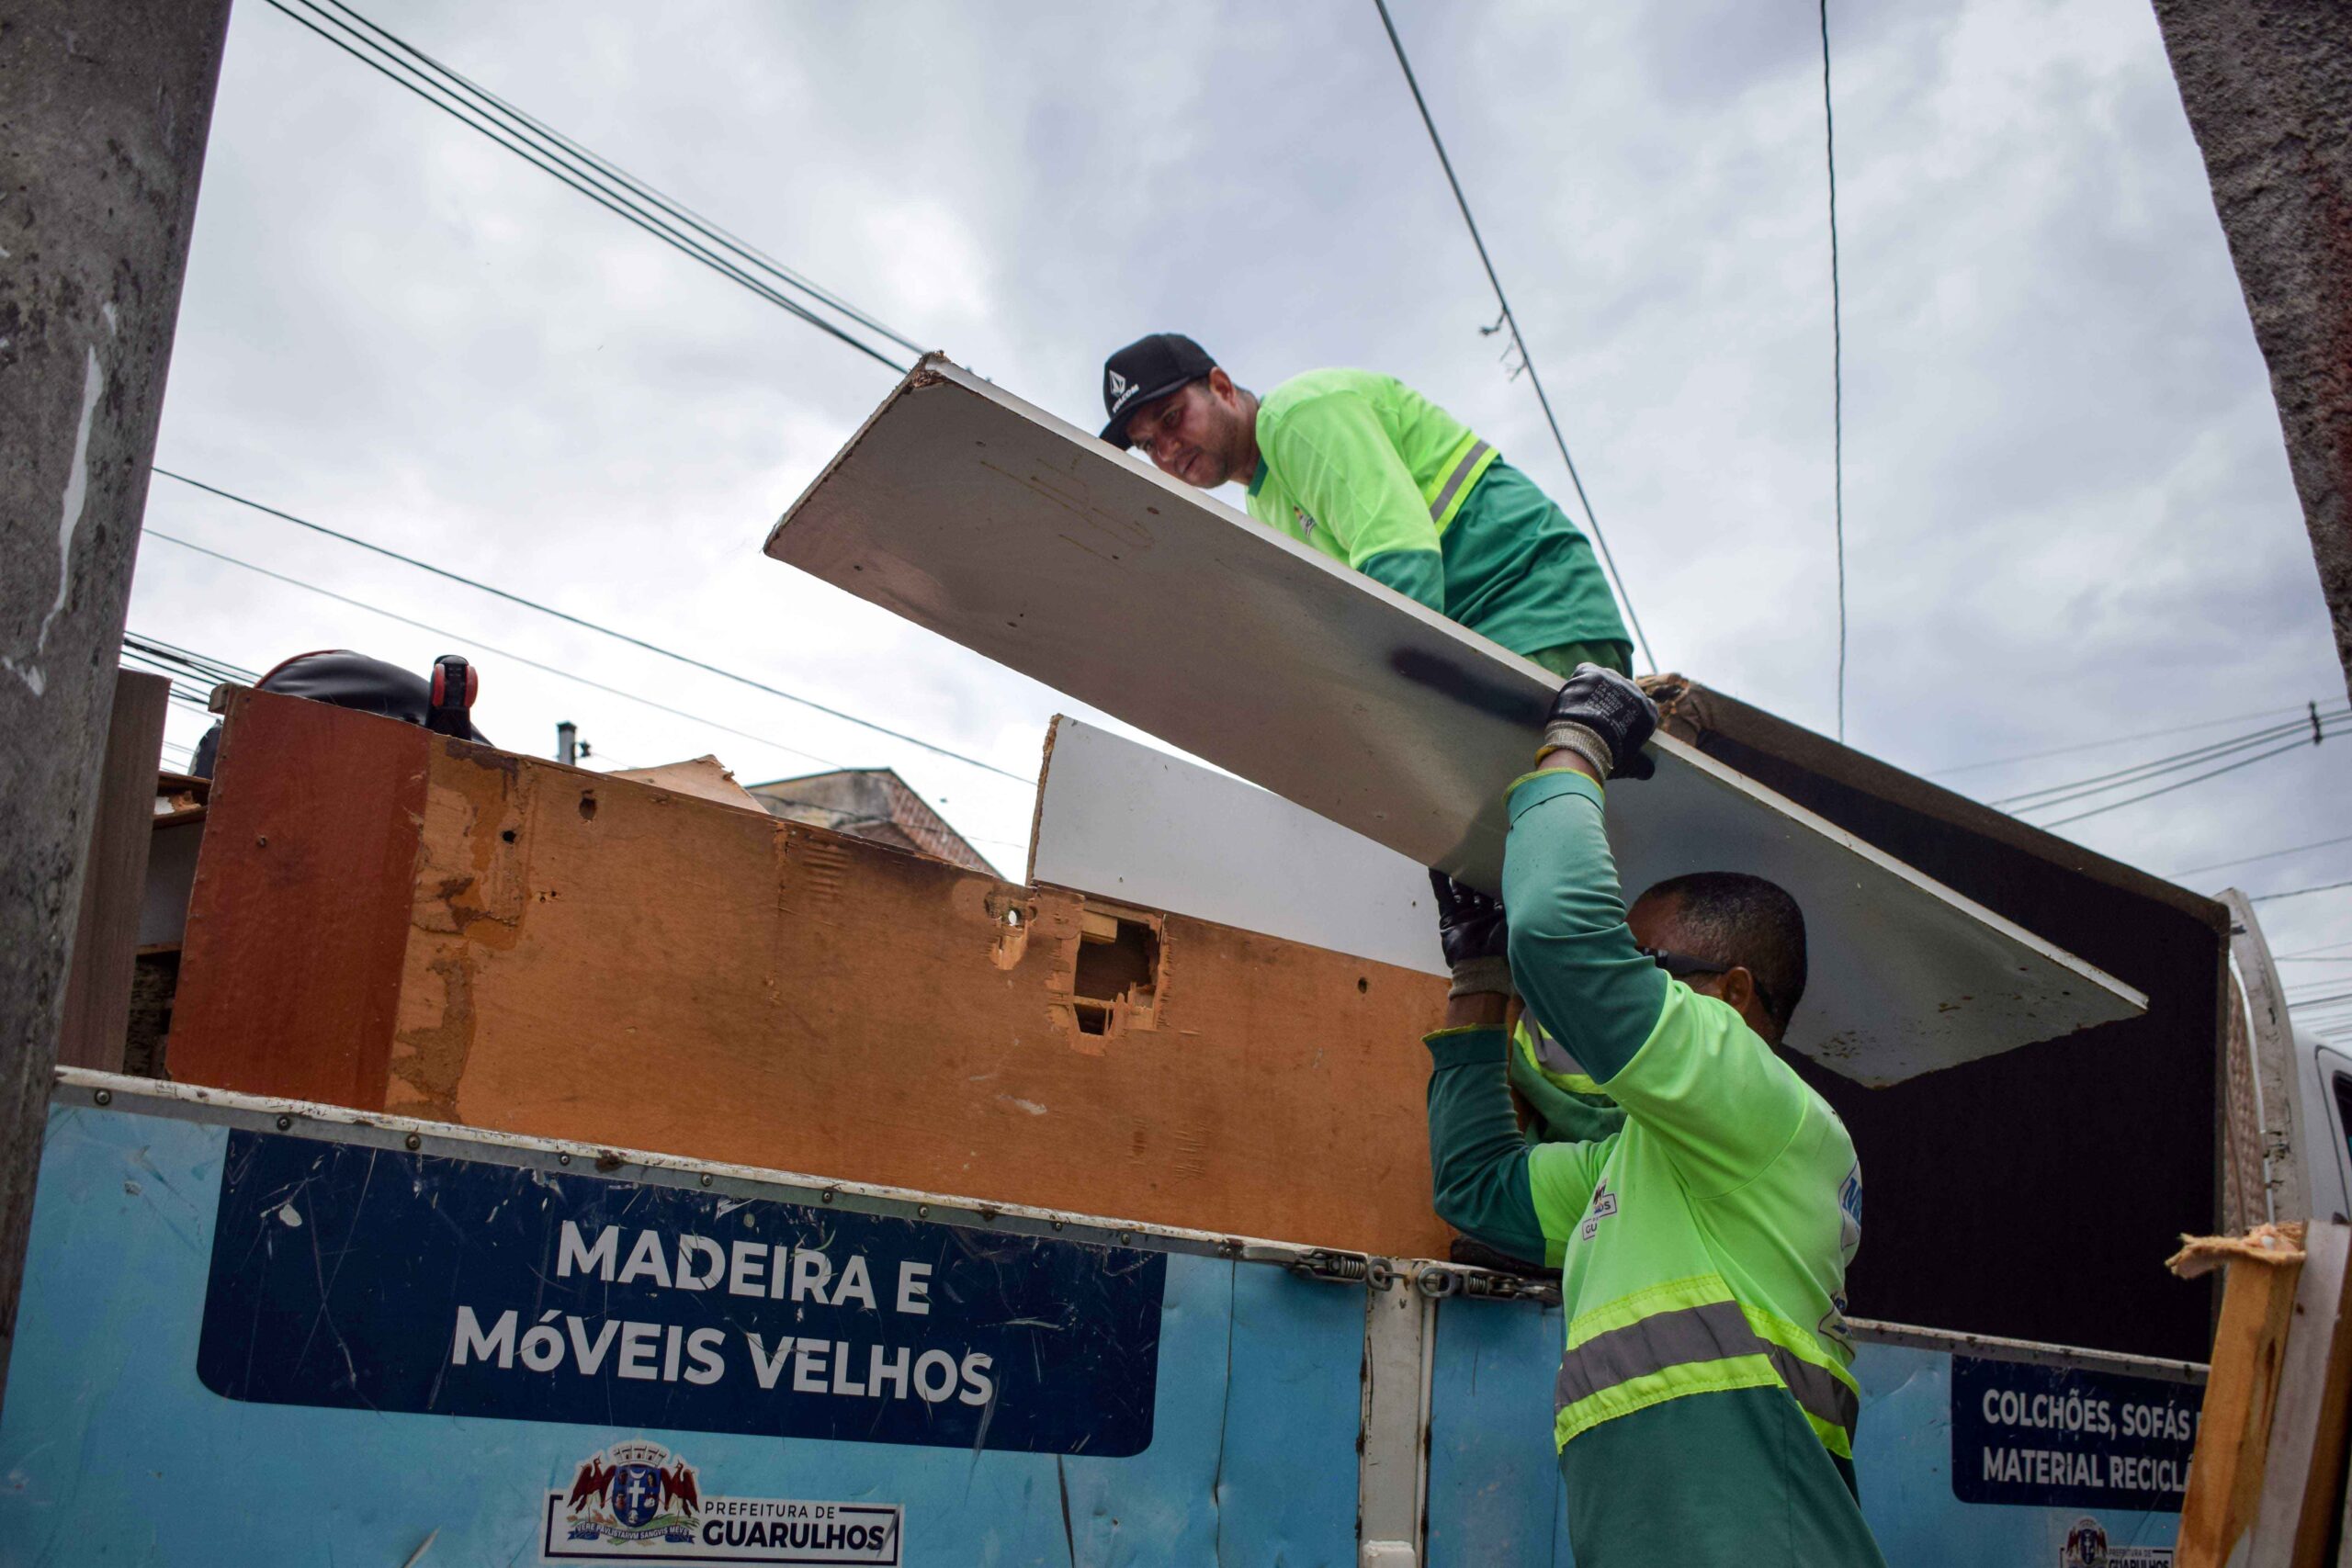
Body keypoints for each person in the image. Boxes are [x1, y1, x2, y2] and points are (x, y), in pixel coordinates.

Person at [1422, 663, 1884, 1568]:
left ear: (1735, 996)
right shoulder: (1658, 1159)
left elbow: (1561, 937)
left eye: (1645, 962)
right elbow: (1480, 1189)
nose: (1620, 981)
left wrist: (1580, 742)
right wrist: (1480, 981)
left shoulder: (1761, 1103)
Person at [1096, 332, 1633, 678]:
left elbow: (1404, 565)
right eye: (1147, 446)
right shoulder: (1267, 504)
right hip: (1483, 636)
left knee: (1526, 797)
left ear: (1222, 387)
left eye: (1171, 418)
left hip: (1535, 607)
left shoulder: (1297, 417)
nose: (1165, 450)